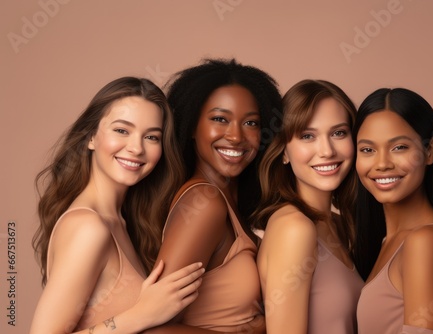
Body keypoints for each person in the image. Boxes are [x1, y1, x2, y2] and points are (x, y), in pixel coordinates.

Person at [30, 77, 205, 334]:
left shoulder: (123, 222)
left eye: (151, 137)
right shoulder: (88, 227)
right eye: (122, 130)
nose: (136, 148)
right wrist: (141, 314)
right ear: (91, 137)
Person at [153, 59, 283, 332]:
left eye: (251, 123)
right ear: (191, 126)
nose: (236, 136)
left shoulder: (230, 204)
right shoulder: (205, 203)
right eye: (220, 119)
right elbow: (153, 327)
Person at [353, 88, 433, 334]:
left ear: (430, 151)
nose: (382, 164)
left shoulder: (424, 242)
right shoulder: (389, 242)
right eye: (368, 150)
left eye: (399, 147)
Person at [251, 79, 363, 334]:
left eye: (339, 133)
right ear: (284, 152)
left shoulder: (340, 225)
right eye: (307, 136)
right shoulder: (294, 228)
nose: (326, 150)